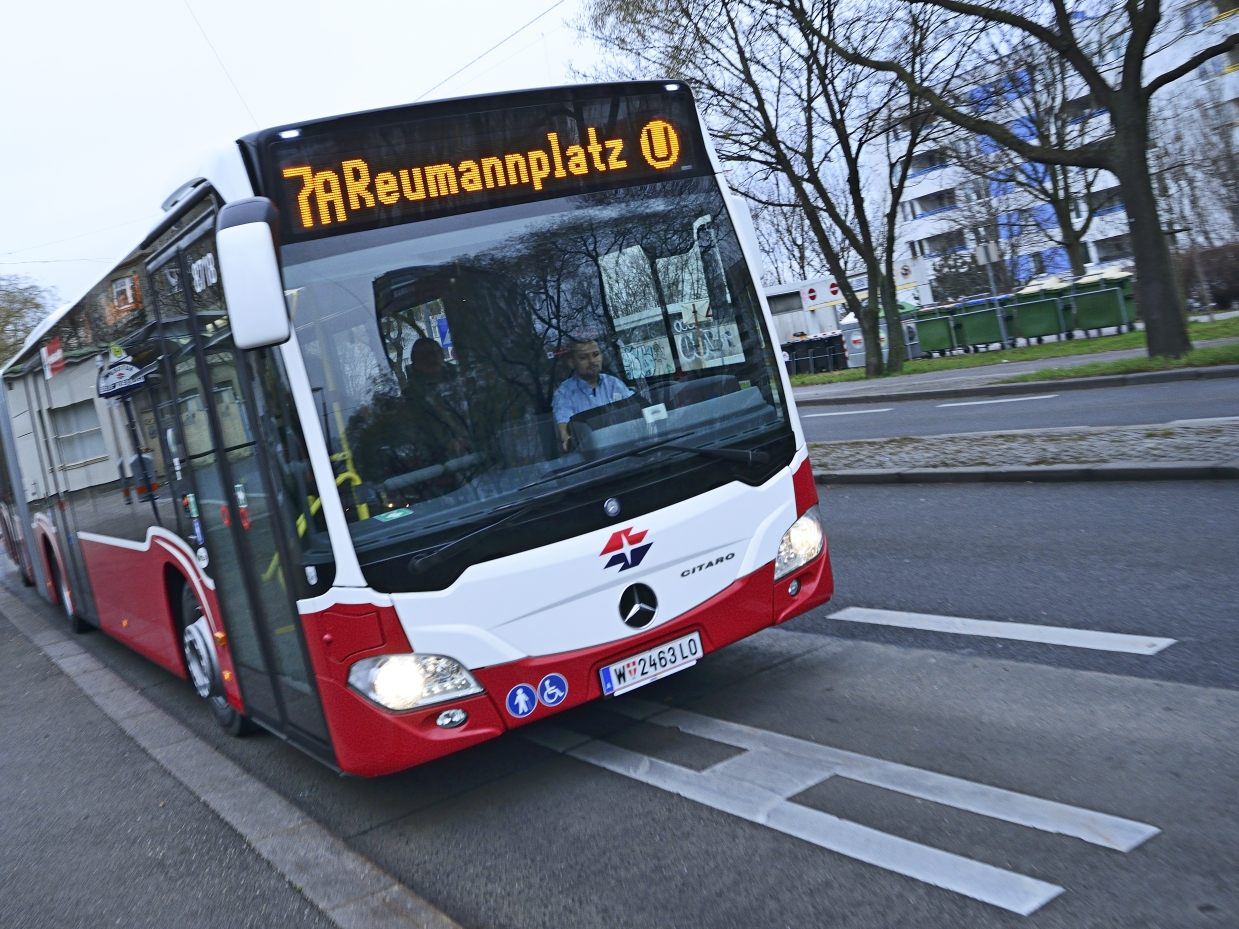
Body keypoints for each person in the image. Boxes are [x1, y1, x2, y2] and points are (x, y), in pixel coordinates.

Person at [552, 338, 634, 452]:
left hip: (626, 450)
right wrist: (565, 436)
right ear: (572, 363)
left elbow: (634, 411)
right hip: (591, 460)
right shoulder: (564, 393)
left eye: (596, 354)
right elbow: (564, 426)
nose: (592, 361)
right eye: (583, 357)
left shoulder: (613, 383)